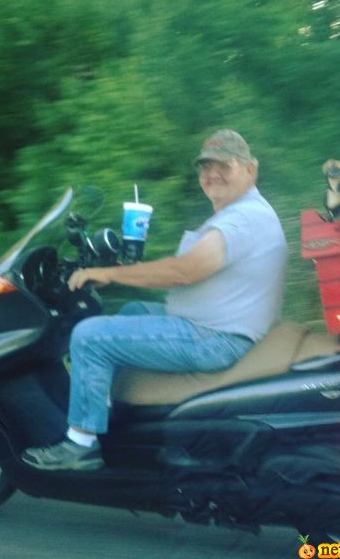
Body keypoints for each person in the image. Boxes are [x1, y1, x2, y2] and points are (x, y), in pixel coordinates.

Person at [22, 129, 288, 470]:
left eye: (225, 165)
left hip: (215, 338)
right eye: (206, 166)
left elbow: (184, 271)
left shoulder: (243, 218)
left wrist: (109, 274)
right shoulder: (243, 212)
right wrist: (122, 271)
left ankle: (80, 444)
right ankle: (112, 416)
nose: (212, 174)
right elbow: (193, 274)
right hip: (218, 325)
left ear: (250, 169)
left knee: (89, 337)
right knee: (131, 311)